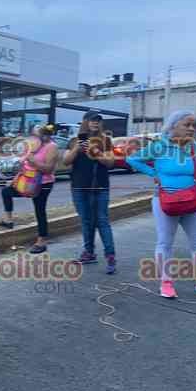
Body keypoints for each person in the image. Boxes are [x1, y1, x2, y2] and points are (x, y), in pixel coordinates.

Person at [127, 110, 196, 299]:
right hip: (165, 202)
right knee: (165, 243)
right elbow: (133, 159)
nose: (191, 129)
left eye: (193, 125)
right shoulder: (159, 146)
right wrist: (154, 174)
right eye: (186, 125)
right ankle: (166, 282)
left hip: (191, 200)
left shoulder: (195, 147)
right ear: (173, 126)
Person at [63, 110, 117, 274]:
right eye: (92, 120)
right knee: (86, 220)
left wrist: (96, 153)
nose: (95, 123)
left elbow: (111, 163)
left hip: (100, 187)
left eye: (98, 120)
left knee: (102, 220)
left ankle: (110, 256)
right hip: (79, 187)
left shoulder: (105, 140)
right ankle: (89, 252)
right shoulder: (74, 140)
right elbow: (65, 161)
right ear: (84, 122)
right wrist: (76, 149)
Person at [0, 124, 59, 254]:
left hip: (43, 183)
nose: (34, 137)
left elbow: (49, 169)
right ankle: (8, 220)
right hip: (27, 180)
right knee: (6, 191)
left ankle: (42, 241)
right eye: (33, 135)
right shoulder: (32, 146)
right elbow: (24, 165)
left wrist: (33, 161)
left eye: (37, 134)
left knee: (39, 210)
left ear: (44, 135)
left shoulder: (51, 146)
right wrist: (15, 180)